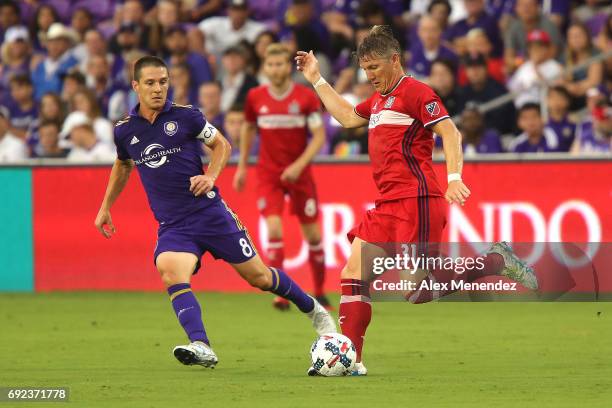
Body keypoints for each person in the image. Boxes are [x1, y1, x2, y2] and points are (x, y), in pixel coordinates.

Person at [295, 25, 537, 376]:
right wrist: (317, 79)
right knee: (352, 274)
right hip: (387, 204)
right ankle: (352, 361)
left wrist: (454, 177)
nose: (370, 76)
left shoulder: (416, 93)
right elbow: (348, 117)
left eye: (375, 67)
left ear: (395, 60)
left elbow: (450, 132)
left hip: (417, 200)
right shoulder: (378, 100)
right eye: (365, 70)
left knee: (415, 291)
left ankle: (496, 262)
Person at [94, 56, 335, 368]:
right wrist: (105, 207)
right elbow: (123, 164)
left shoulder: (187, 117)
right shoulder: (124, 130)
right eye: (151, 83)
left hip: (210, 214)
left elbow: (222, 145)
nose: (158, 89)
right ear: (135, 86)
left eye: (163, 82)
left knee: (260, 278)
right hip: (174, 225)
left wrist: (211, 176)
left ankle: (315, 311)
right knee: (170, 271)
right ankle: (201, 345)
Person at [234, 43, 330, 310]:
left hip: (299, 175)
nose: (275, 69)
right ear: (265, 67)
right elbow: (248, 130)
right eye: (271, 64)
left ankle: (320, 292)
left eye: (280, 64)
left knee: (313, 236)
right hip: (269, 173)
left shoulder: (306, 98)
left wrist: (299, 165)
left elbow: (319, 136)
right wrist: (242, 166)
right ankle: (280, 293)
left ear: (288, 67)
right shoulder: (255, 97)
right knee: (274, 229)